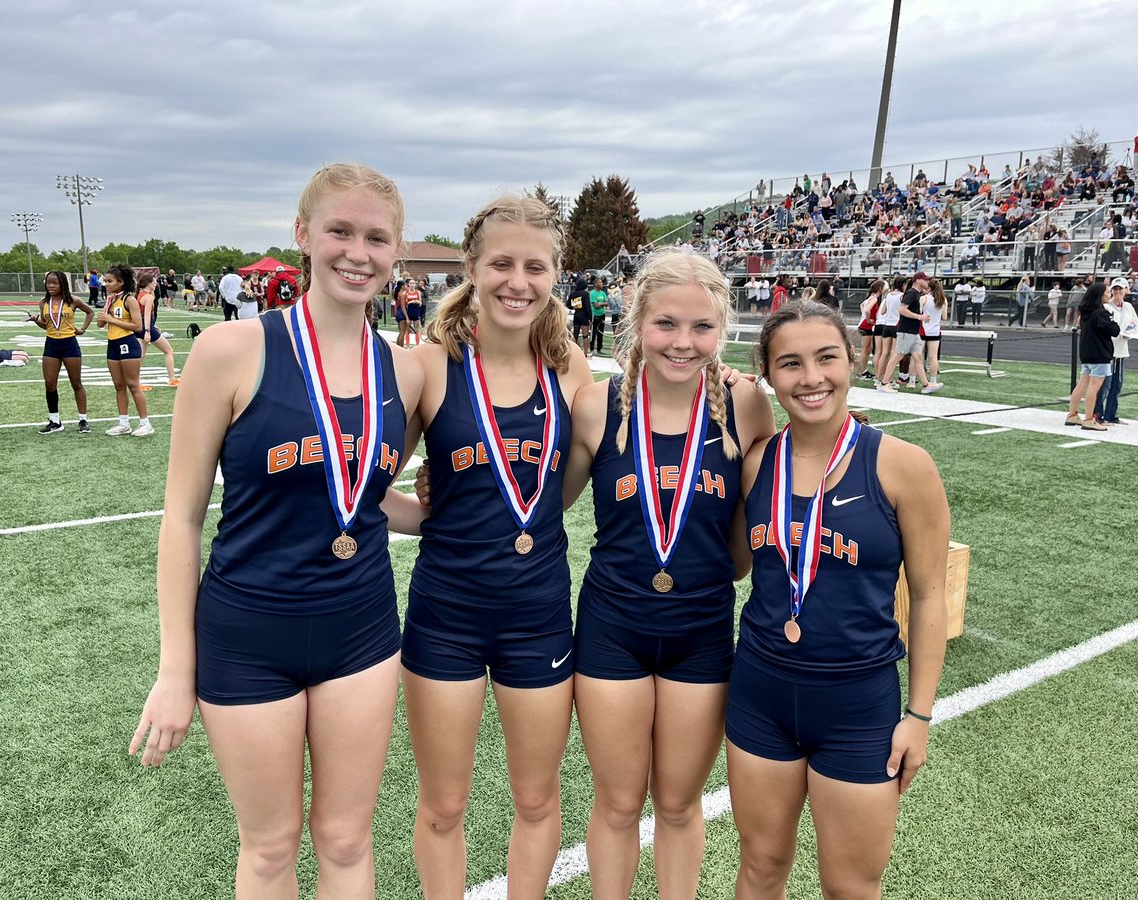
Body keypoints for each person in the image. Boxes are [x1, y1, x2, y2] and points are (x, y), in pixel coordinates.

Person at [128, 163, 426, 898]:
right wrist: (175, 670)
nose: (357, 252)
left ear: (397, 250)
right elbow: (182, 518)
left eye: (376, 238)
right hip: (247, 636)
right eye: (340, 231)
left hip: (360, 633)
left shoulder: (407, 372)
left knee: (348, 840)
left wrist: (437, 514)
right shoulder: (230, 351)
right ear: (303, 234)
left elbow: (363, 499)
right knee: (268, 849)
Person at [561, 251, 775, 898]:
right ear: (636, 322)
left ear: (721, 331)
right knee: (619, 803)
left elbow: (753, 527)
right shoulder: (595, 407)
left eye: (702, 327)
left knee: (680, 806)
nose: (684, 342)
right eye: (666, 324)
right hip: (612, 630)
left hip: (701, 632)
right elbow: (546, 503)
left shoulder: (746, 405)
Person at [726, 299, 950, 900]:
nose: (811, 378)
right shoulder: (756, 463)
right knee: (760, 867)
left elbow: (930, 596)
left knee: (850, 885)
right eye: (790, 364)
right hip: (760, 692)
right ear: (767, 375)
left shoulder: (903, 466)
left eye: (826, 358)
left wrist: (920, 716)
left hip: (858, 705)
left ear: (851, 360)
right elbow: (736, 563)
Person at [403, 196, 593, 898]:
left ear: (556, 275)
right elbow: (359, 485)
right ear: (473, 268)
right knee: (442, 805)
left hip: (537, 614)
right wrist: (430, 518)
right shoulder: (430, 365)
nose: (518, 281)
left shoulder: (571, 368)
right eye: (502, 264)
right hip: (445, 616)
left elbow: (558, 490)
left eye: (535, 267)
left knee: (538, 800)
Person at [28, 270, 94, 434]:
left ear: (62, 284)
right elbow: (47, 325)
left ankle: (83, 419)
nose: (50, 286)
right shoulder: (43, 302)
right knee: (50, 383)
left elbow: (90, 312)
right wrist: (36, 320)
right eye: (48, 283)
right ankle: (55, 421)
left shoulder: (73, 300)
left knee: (76, 383)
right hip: (51, 345)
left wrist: (82, 329)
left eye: (55, 283)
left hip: (69, 344)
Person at [96, 264, 154, 437]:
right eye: (106, 281)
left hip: (127, 343)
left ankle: (145, 423)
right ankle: (124, 423)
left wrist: (112, 319)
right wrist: (107, 306)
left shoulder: (129, 299)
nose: (106, 284)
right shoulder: (111, 300)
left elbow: (137, 326)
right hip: (112, 344)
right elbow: (100, 323)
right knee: (119, 385)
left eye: (110, 281)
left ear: (120, 282)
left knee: (133, 385)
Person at [1066, 283, 1121, 432]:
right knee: (1094, 387)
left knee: (1082, 384)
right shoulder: (1100, 313)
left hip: (1086, 353)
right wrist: (1112, 319)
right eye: (1107, 292)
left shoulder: (1086, 312)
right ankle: (1089, 419)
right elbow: (1114, 330)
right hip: (1099, 354)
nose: (1110, 294)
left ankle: (1072, 414)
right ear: (1099, 295)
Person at [887, 272, 942, 393]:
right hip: (906, 330)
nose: (928, 282)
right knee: (898, 356)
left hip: (913, 331)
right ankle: (884, 383)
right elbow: (902, 309)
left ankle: (926, 385)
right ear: (917, 280)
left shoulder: (917, 294)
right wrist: (919, 317)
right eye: (925, 279)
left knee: (917, 357)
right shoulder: (911, 293)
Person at [1094, 276, 1137, 425]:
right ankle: (1098, 415)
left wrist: (1130, 334)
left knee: (1117, 385)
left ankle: (1111, 415)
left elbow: (1134, 324)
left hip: (1121, 350)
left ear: (1126, 290)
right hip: (1107, 351)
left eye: (1120, 288)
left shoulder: (1128, 307)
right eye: (1115, 289)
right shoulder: (1106, 307)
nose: (1117, 291)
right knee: (1104, 384)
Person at [135, 273, 179, 388]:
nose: (156, 284)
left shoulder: (140, 294)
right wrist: (148, 330)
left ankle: (137, 383)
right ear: (148, 283)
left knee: (140, 356)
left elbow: (142, 315)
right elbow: (147, 314)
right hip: (146, 328)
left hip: (141, 327)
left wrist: (153, 326)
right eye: (154, 282)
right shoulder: (148, 297)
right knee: (168, 351)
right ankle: (172, 379)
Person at [874, 276, 904, 392]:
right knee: (893, 354)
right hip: (897, 325)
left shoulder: (888, 296)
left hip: (887, 325)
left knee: (884, 353)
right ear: (902, 285)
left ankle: (878, 378)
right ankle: (888, 379)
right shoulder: (902, 296)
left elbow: (883, 311)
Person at [855, 279, 885, 380]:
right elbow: (867, 310)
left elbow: (862, 305)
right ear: (880, 289)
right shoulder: (874, 299)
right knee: (865, 350)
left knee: (867, 349)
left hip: (864, 325)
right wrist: (868, 319)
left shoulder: (870, 297)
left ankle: (862, 370)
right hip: (866, 326)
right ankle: (861, 371)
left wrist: (864, 316)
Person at [922, 278, 948, 386]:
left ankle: (912, 380)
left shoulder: (924, 298)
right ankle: (933, 380)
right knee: (933, 357)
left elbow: (919, 312)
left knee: (917, 356)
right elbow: (945, 317)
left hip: (923, 329)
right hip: (935, 330)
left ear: (929, 287)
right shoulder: (943, 300)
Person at [569, 275, 592, 355]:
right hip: (584, 316)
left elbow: (568, 305)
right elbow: (587, 306)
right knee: (585, 336)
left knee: (575, 335)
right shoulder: (585, 294)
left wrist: (576, 305)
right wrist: (590, 318)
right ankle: (585, 353)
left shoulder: (572, 294)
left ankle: (577, 352)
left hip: (576, 315)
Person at [590, 276, 609, 355]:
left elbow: (607, 303)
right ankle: (591, 348)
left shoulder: (603, 293)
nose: (602, 284)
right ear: (595, 284)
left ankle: (599, 348)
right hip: (595, 315)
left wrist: (600, 303)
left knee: (601, 332)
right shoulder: (592, 293)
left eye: (602, 282)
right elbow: (596, 306)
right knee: (593, 333)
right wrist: (602, 304)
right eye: (600, 282)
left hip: (602, 314)